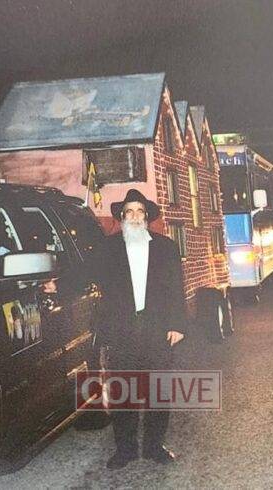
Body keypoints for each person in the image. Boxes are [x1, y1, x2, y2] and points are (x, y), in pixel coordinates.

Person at [93, 189, 187, 470]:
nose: (134, 217)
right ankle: (125, 450)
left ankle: (155, 446)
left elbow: (176, 288)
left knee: (158, 390)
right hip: (121, 330)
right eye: (129, 212)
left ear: (146, 217)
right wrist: (56, 285)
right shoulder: (108, 249)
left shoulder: (165, 247)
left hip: (157, 328)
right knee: (123, 391)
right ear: (122, 217)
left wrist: (177, 324)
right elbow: (87, 275)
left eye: (139, 211)